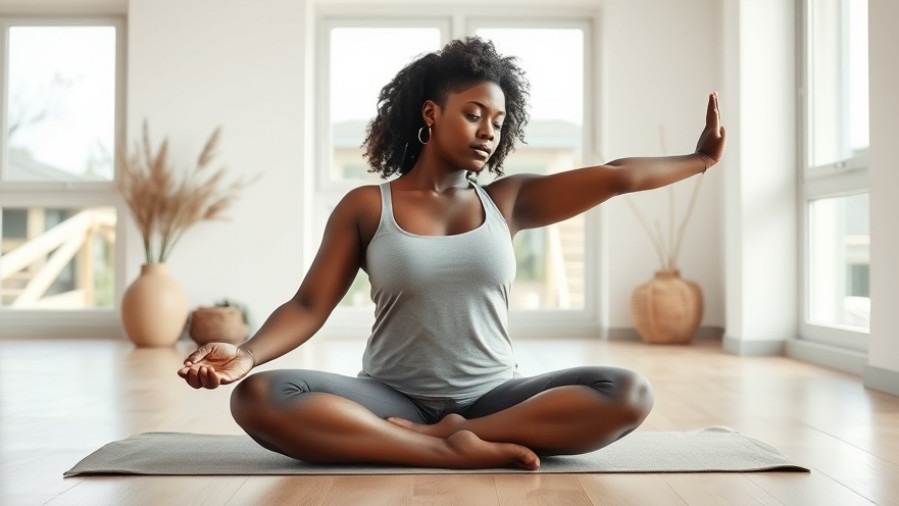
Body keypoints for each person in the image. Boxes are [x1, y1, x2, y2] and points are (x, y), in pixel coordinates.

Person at [177, 37, 725, 470]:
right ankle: (442, 449)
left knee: (627, 392)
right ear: (432, 113)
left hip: (495, 397)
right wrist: (247, 355)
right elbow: (308, 305)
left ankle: (446, 439)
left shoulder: (508, 200)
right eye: (474, 113)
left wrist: (699, 160)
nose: (489, 131)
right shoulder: (368, 205)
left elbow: (616, 177)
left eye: (498, 122)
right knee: (259, 398)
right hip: (389, 398)